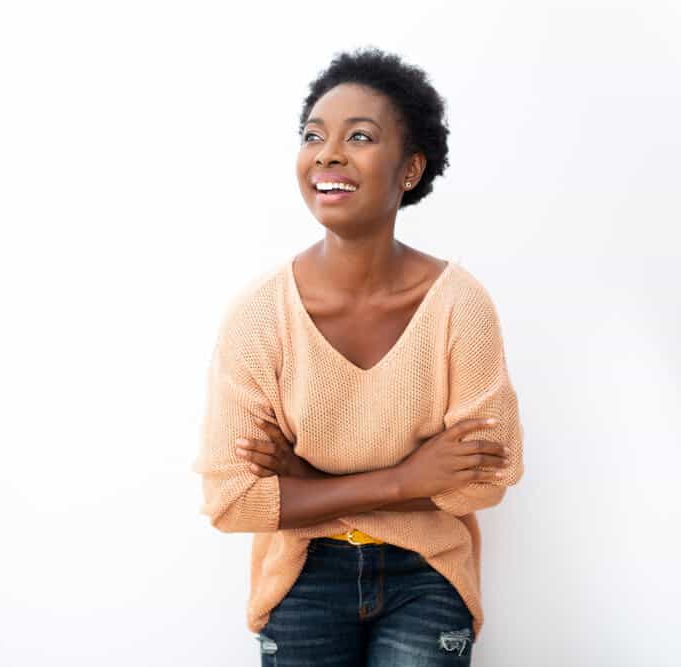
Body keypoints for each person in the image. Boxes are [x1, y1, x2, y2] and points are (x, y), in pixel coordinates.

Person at [192, 46, 524, 666]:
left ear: (409, 169)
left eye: (361, 136)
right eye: (313, 135)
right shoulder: (260, 315)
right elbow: (233, 501)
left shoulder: (459, 305)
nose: (328, 153)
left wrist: (303, 483)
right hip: (302, 574)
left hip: (425, 574)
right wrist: (408, 478)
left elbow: (486, 481)